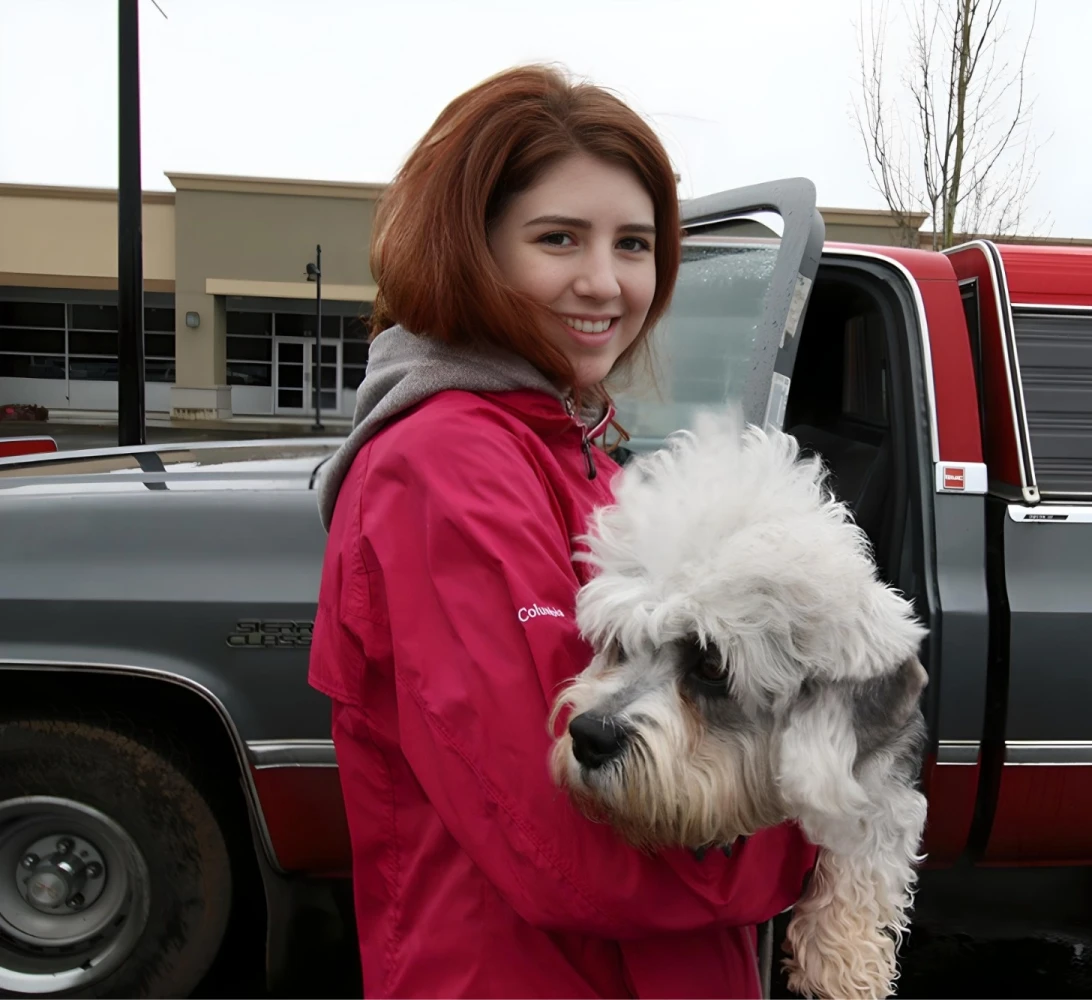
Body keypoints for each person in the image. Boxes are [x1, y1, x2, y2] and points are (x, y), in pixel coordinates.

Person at [308, 64, 818, 999]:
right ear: (472, 248)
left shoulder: (583, 454)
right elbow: (563, 843)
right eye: (558, 239)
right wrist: (819, 830)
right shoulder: (445, 468)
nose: (604, 281)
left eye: (634, 243)